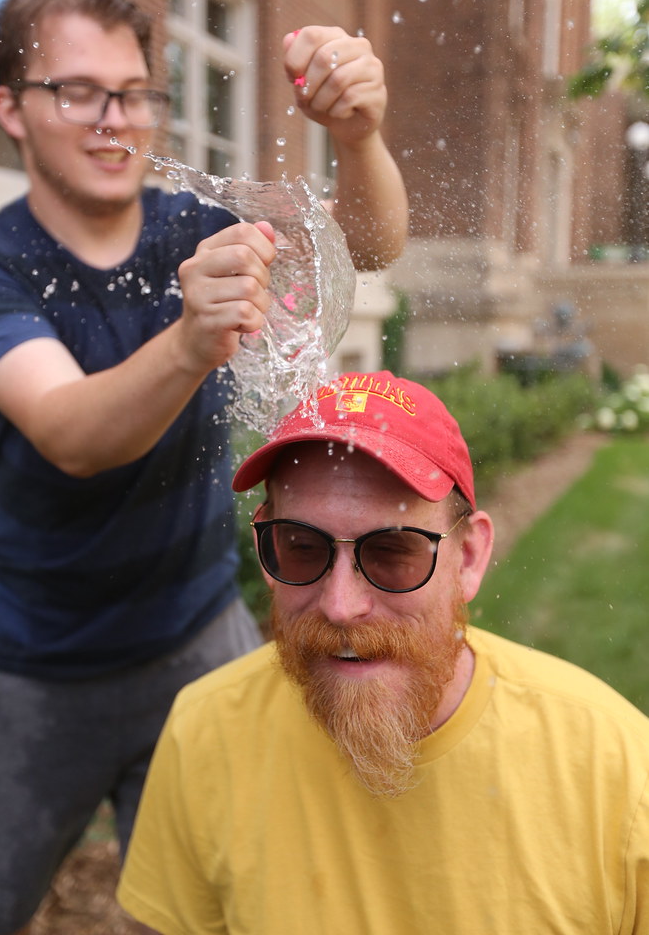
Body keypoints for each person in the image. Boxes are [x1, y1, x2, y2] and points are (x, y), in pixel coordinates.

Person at [0, 0, 408, 935]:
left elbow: (367, 248)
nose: (111, 119)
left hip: (198, 641)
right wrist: (186, 340)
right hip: (29, 665)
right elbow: (72, 434)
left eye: (132, 93)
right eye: (75, 91)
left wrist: (358, 134)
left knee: (218, 912)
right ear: (10, 110)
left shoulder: (189, 222)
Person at [118, 369, 649, 935]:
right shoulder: (205, 733)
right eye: (301, 548)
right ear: (263, 548)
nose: (341, 605)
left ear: (468, 559)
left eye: (394, 552)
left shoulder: (615, 771)